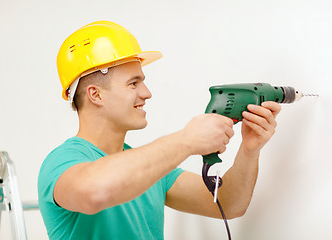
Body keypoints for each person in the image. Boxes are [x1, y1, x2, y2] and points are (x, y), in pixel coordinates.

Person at [38, 21, 281, 240]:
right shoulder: (63, 162)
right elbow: (95, 191)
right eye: (133, 83)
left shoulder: (150, 169)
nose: (146, 93)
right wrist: (187, 140)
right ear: (95, 94)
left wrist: (250, 149)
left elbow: (229, 204)